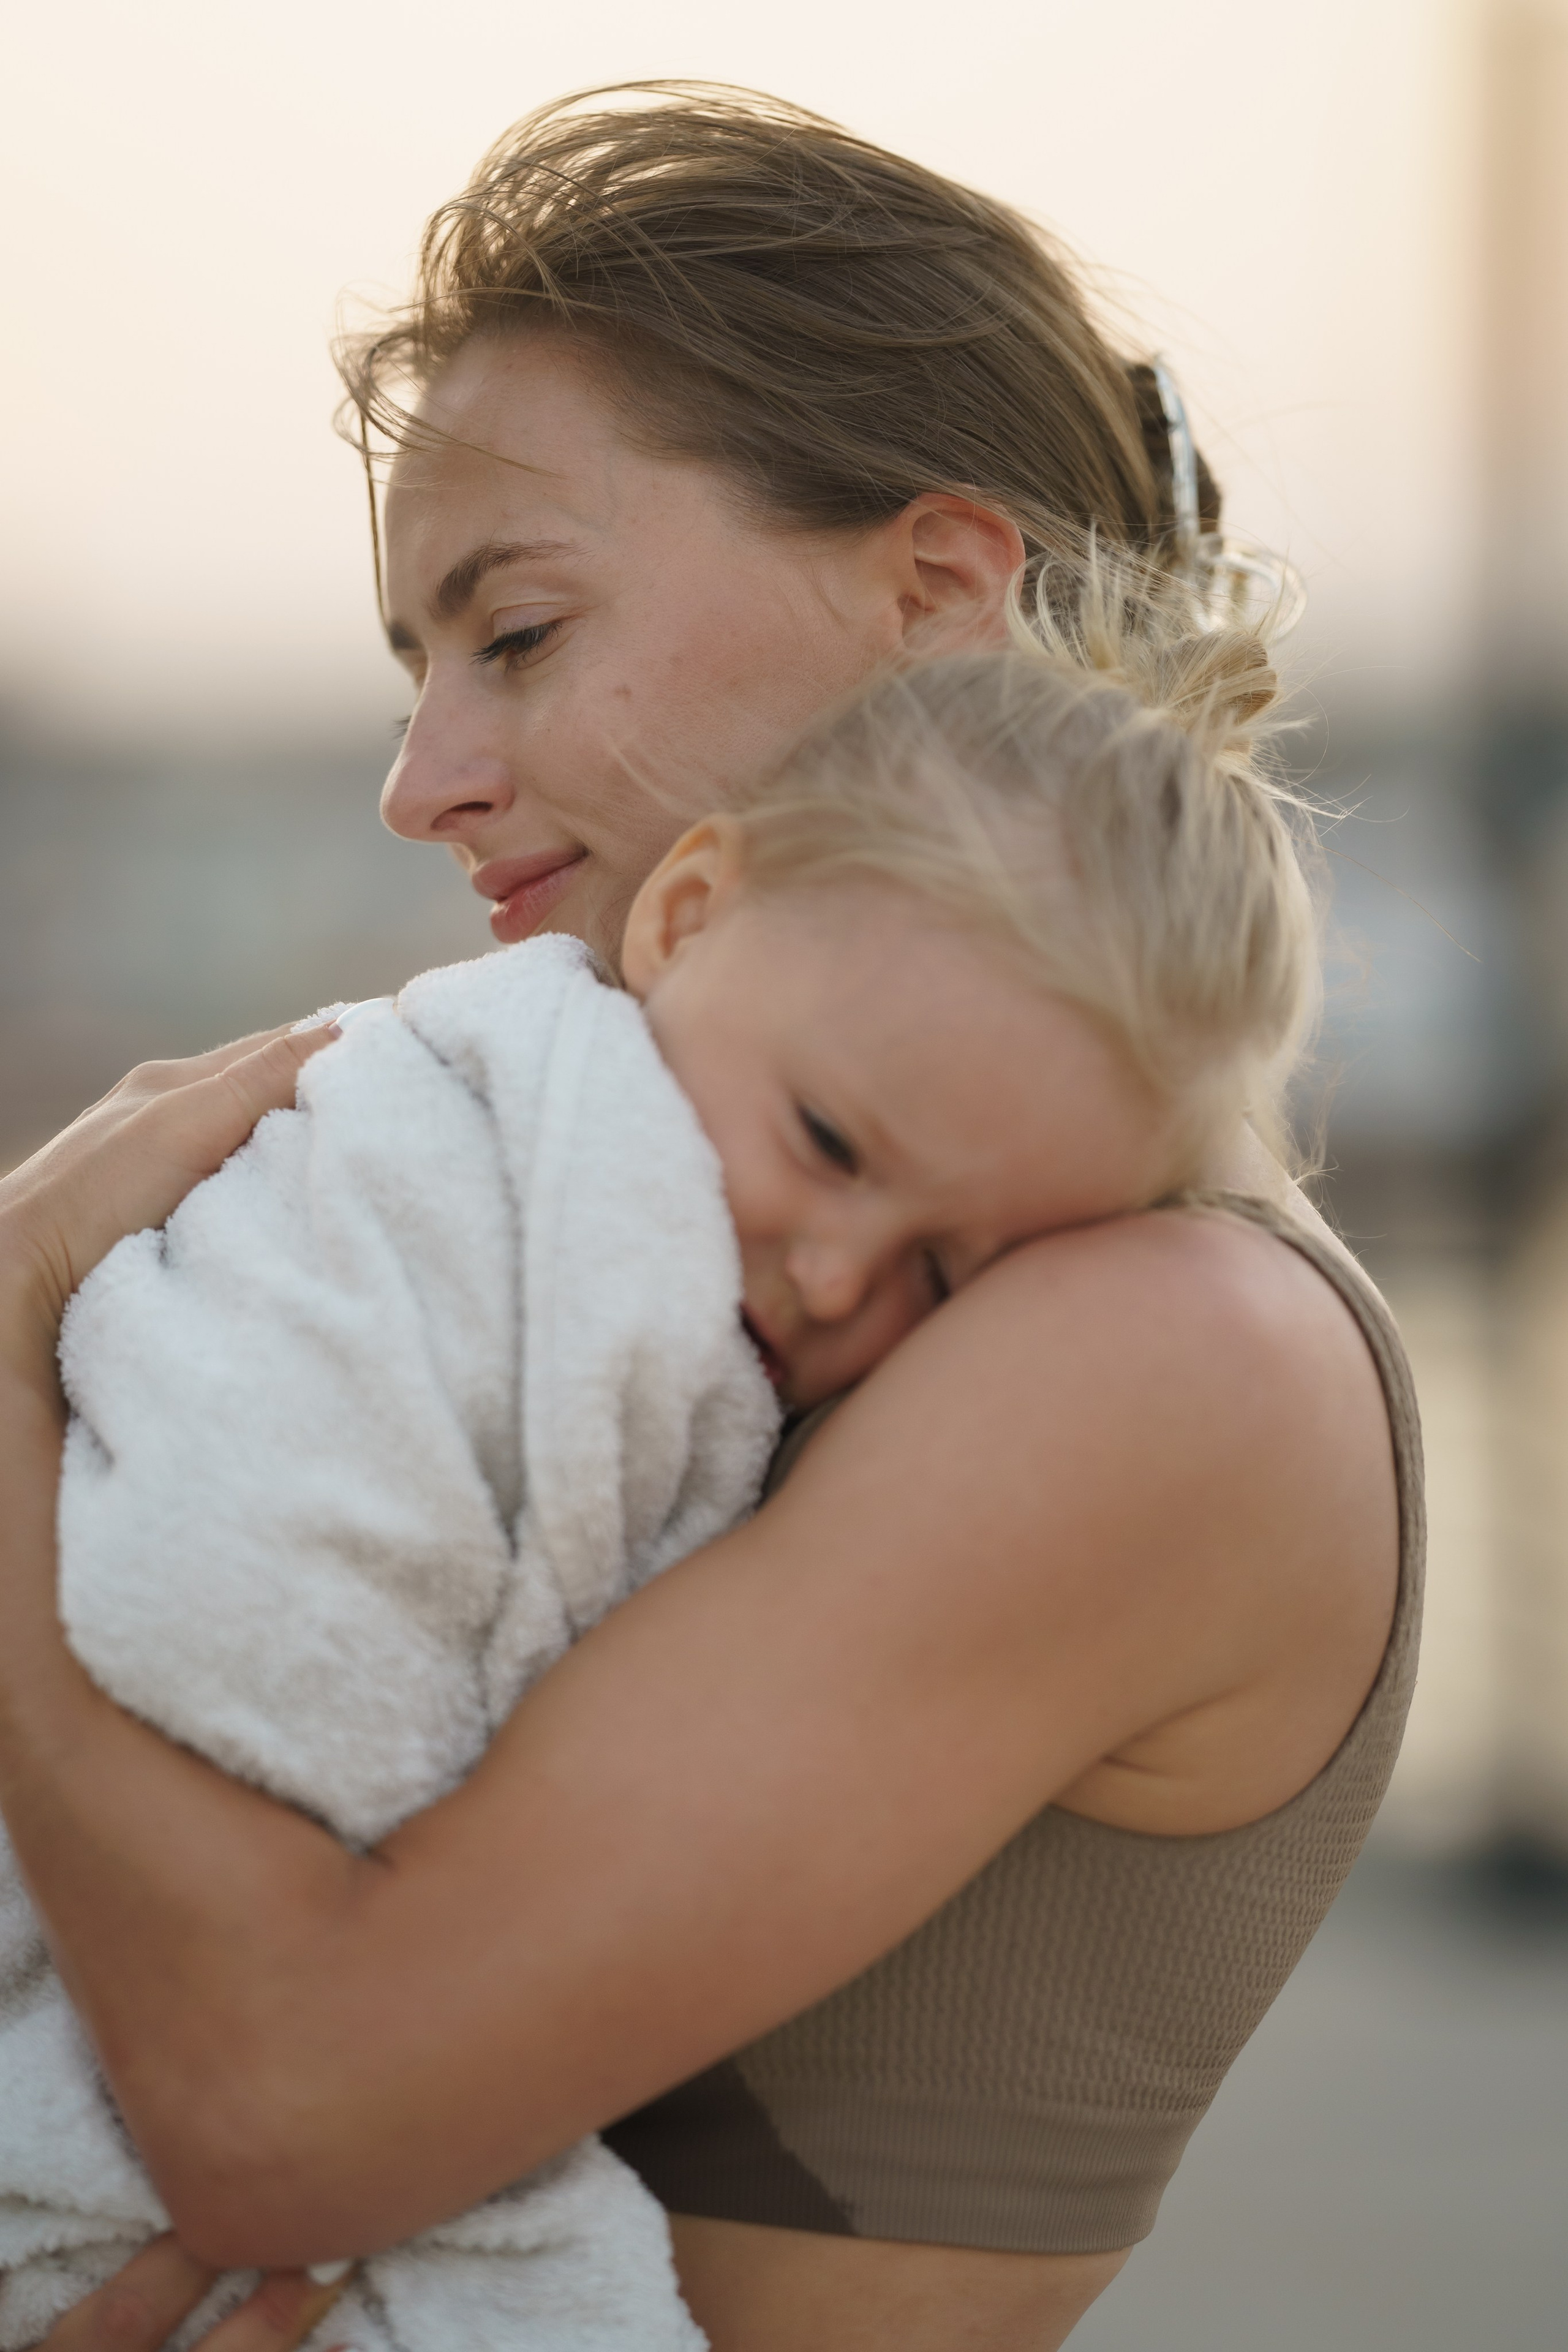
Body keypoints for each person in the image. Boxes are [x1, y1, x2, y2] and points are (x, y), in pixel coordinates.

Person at [0, 88, 1420, 2352]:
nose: (421, 782)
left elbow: (282, 2115)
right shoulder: (770, 1268)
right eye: (416, 669)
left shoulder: (1171, 1344)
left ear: (938, 598)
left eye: (520, 631)